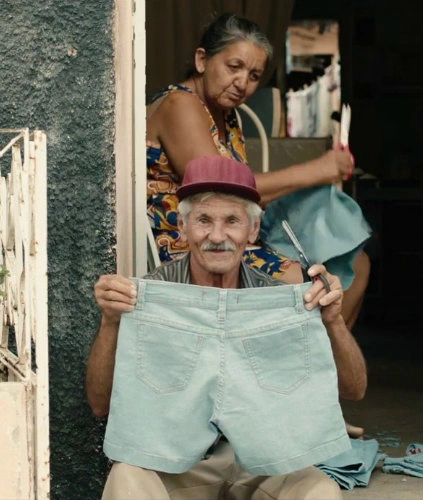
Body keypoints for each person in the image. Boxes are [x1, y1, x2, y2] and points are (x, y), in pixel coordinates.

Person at [86, 156, 367, 499]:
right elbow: (99, 405)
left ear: (252, 230)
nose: (217, 236)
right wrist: (111, 321)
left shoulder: (276, 297)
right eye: (204, 220)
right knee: (126, 478)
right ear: (182, 226)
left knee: (319, 491)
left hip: (263, 463)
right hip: (179, 464)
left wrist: (333, 320)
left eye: (232, 220)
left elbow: (355, 390)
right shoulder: (152, 295)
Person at [146, 12, 370, 332]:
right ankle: (304, 357)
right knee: (312, 285)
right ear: (201, 60)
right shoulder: (179, 105)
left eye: (254, 75)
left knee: (357, 264)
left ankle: (323, 358)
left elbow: (241, 195)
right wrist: (317, 170)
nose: (242, 83)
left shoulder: (225, 114)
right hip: (195, 244)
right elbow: (224, 192)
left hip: (236, 235)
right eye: (233, 67)